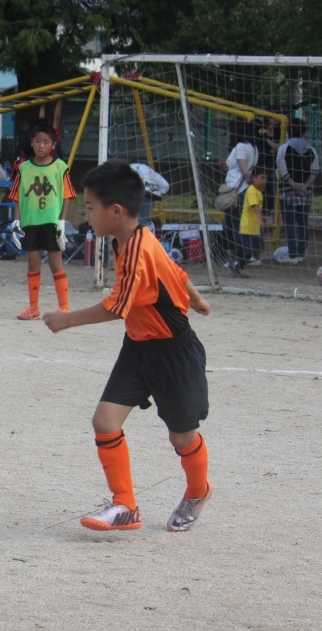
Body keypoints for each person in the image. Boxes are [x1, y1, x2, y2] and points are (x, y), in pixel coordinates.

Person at [44, 159, 212, 533]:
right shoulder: (129, 241)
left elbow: (116, 306)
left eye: (90, 207)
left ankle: (198, 491)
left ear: (116, 211)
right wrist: (197, 298)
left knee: (181, 435)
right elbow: (176, 272)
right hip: (137, 348)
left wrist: (67, 320)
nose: (86, 215)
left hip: (174, 353)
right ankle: (125, 505)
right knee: (104, 422)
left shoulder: (138, 249)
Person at [7, 122, 75, 319]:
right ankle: (33, 307)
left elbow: (67, 195)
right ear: (32, 142)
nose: (41, 146)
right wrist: (16, 222)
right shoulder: (23, 168)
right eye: (37, 141)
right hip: (30, 222)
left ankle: (64, 307)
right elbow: (17, 196)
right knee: (33, 262)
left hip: (52, 222)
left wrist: (62, 222)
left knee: (55, 262)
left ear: (53, 145)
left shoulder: (60, 167)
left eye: (46, 142)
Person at [276, 120, 319, 263]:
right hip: (306, 192)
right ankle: (301, 253)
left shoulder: (283, 148)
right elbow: (315, 171)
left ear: (288, 131)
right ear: (304, 132)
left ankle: (292, 255)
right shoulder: (312, 150)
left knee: (289, 223)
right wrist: (305, 186)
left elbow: (282, 169)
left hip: (288, 190)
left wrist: (294, 185)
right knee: (303, 223)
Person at [221, 121, 257, 264]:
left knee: (233, 225)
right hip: (244, 189)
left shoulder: (241, 146)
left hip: (236, 190)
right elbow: (231, 166)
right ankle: (244, 254)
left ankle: (241, 256)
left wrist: (249, 178)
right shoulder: (254, 148)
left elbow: (244, 169)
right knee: (233, 224)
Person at [231, 167, 269, 277]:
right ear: (253, 177)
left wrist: (262, 217)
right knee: (248, 251)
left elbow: (256, 209)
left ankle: (237, 265)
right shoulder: (251, 190)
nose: (264, 181)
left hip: (254, 227)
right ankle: (236, 268)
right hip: (247, 226)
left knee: (254, 250)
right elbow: (255, 206)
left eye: (266, 179)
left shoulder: (259, 192)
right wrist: (260, 219)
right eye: (262, 178)